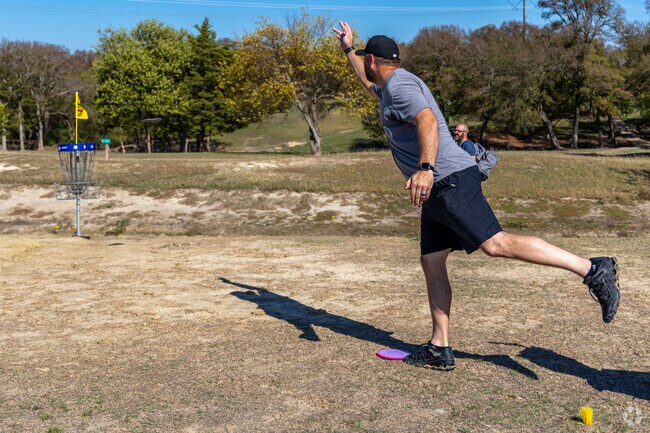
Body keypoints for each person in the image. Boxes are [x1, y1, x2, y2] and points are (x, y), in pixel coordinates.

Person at [332, 22, 620, 371]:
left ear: (374, 60)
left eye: (364, 59)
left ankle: (593, 269)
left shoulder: (400, 87)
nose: (364, 66)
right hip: (437, 189)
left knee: (496, 244)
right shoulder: (390, 85)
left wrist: (424, 166)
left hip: (448, 179)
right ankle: (439, 347)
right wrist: (348, 49)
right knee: (432, 260)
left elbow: (425, 120)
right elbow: (367, 84)